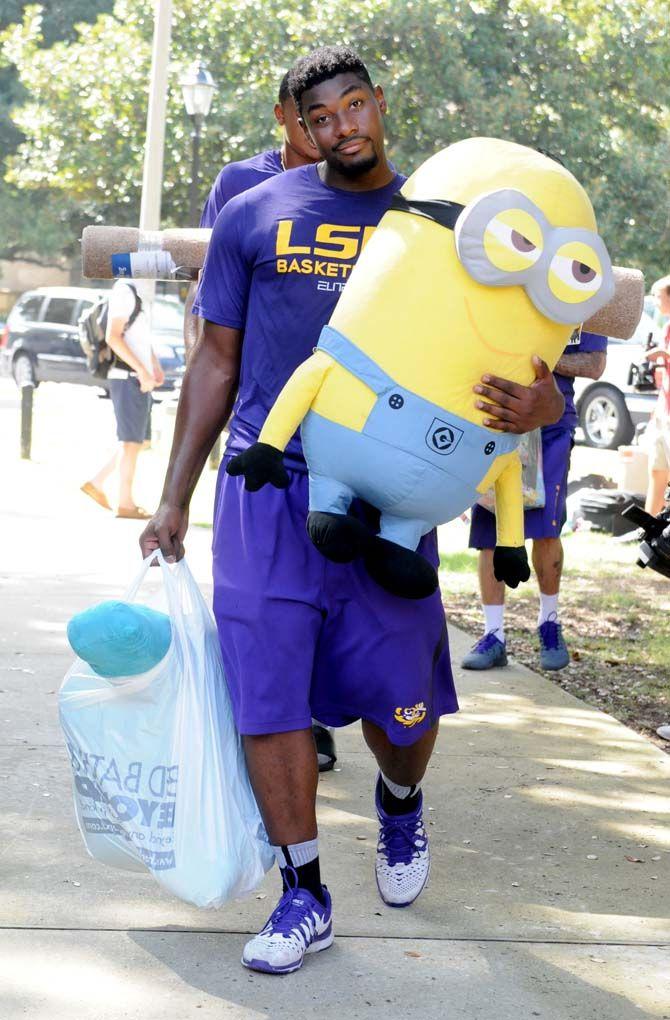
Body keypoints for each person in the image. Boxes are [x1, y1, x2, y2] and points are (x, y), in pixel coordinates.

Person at [140, 45, 565, 975]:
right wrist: (173, 494)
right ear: (296, 128)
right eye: (318, 117)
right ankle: (304, 893)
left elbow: (545, 348)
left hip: (391, 496)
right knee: (268, 690)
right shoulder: (254, 216)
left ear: (379, 105)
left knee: (404, 715)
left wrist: (548, 404)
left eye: (354, 107)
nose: (342, 128)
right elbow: (215, 360)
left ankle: (400, 806)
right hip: (267, 485)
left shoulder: (446, 223)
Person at [182, 67, 339, 771]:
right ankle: (280, 716)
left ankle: (314, 713)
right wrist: (212, 398)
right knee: (262, 590)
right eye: (309, 116)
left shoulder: (366, 189)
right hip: (256, 419)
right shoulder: (241, 186)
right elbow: (211, 304)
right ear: (283, 116)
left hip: (344, 426)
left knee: (332, 586)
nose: (323, 129)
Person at [462, 327, 607, 672]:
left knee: (547, 529)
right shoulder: (507, 282)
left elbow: (595, 364)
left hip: (552, 423)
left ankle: (549, 623)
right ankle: (493, 635)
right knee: (490, 532)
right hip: (497, 418)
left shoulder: (580, 295)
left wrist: (533, 352)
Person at [183, 69, 319, 356]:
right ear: (280, 114)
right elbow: (202, 282)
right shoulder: (238, 181)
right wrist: (196, 371)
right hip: (246, 368)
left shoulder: (356, 185)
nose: (312, 124)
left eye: (322, 115)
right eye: (301, 114)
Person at [81, 280, 164, 519]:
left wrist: (153, 366)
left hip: (136, 378)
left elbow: (138, 338)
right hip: (127, 377)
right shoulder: (124, 291)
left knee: (139, 441)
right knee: (131, 442)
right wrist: (142, 370)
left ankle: (97, 482)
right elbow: (113, 337)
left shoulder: (138, 292)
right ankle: (125, 503)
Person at [643, 275, 670, 516]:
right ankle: (649, 527)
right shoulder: (666, 328)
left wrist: (663, 353)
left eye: (658, 295)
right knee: (656, 469)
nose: (655, 300)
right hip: (664, 410)